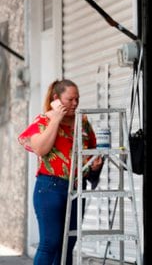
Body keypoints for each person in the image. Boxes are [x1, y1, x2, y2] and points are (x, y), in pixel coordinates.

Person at [18, 79, 103, 265]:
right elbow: (41, 149)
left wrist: (94, 165)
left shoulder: (83, 122)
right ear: (56, 98)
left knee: (68, 244)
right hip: (50, 187)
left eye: (77, 99)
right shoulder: (43, 120)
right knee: (51, 242)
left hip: (75, 188)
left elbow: (91, 152)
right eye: (70, 99)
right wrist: (56, 119)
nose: (75, 104)